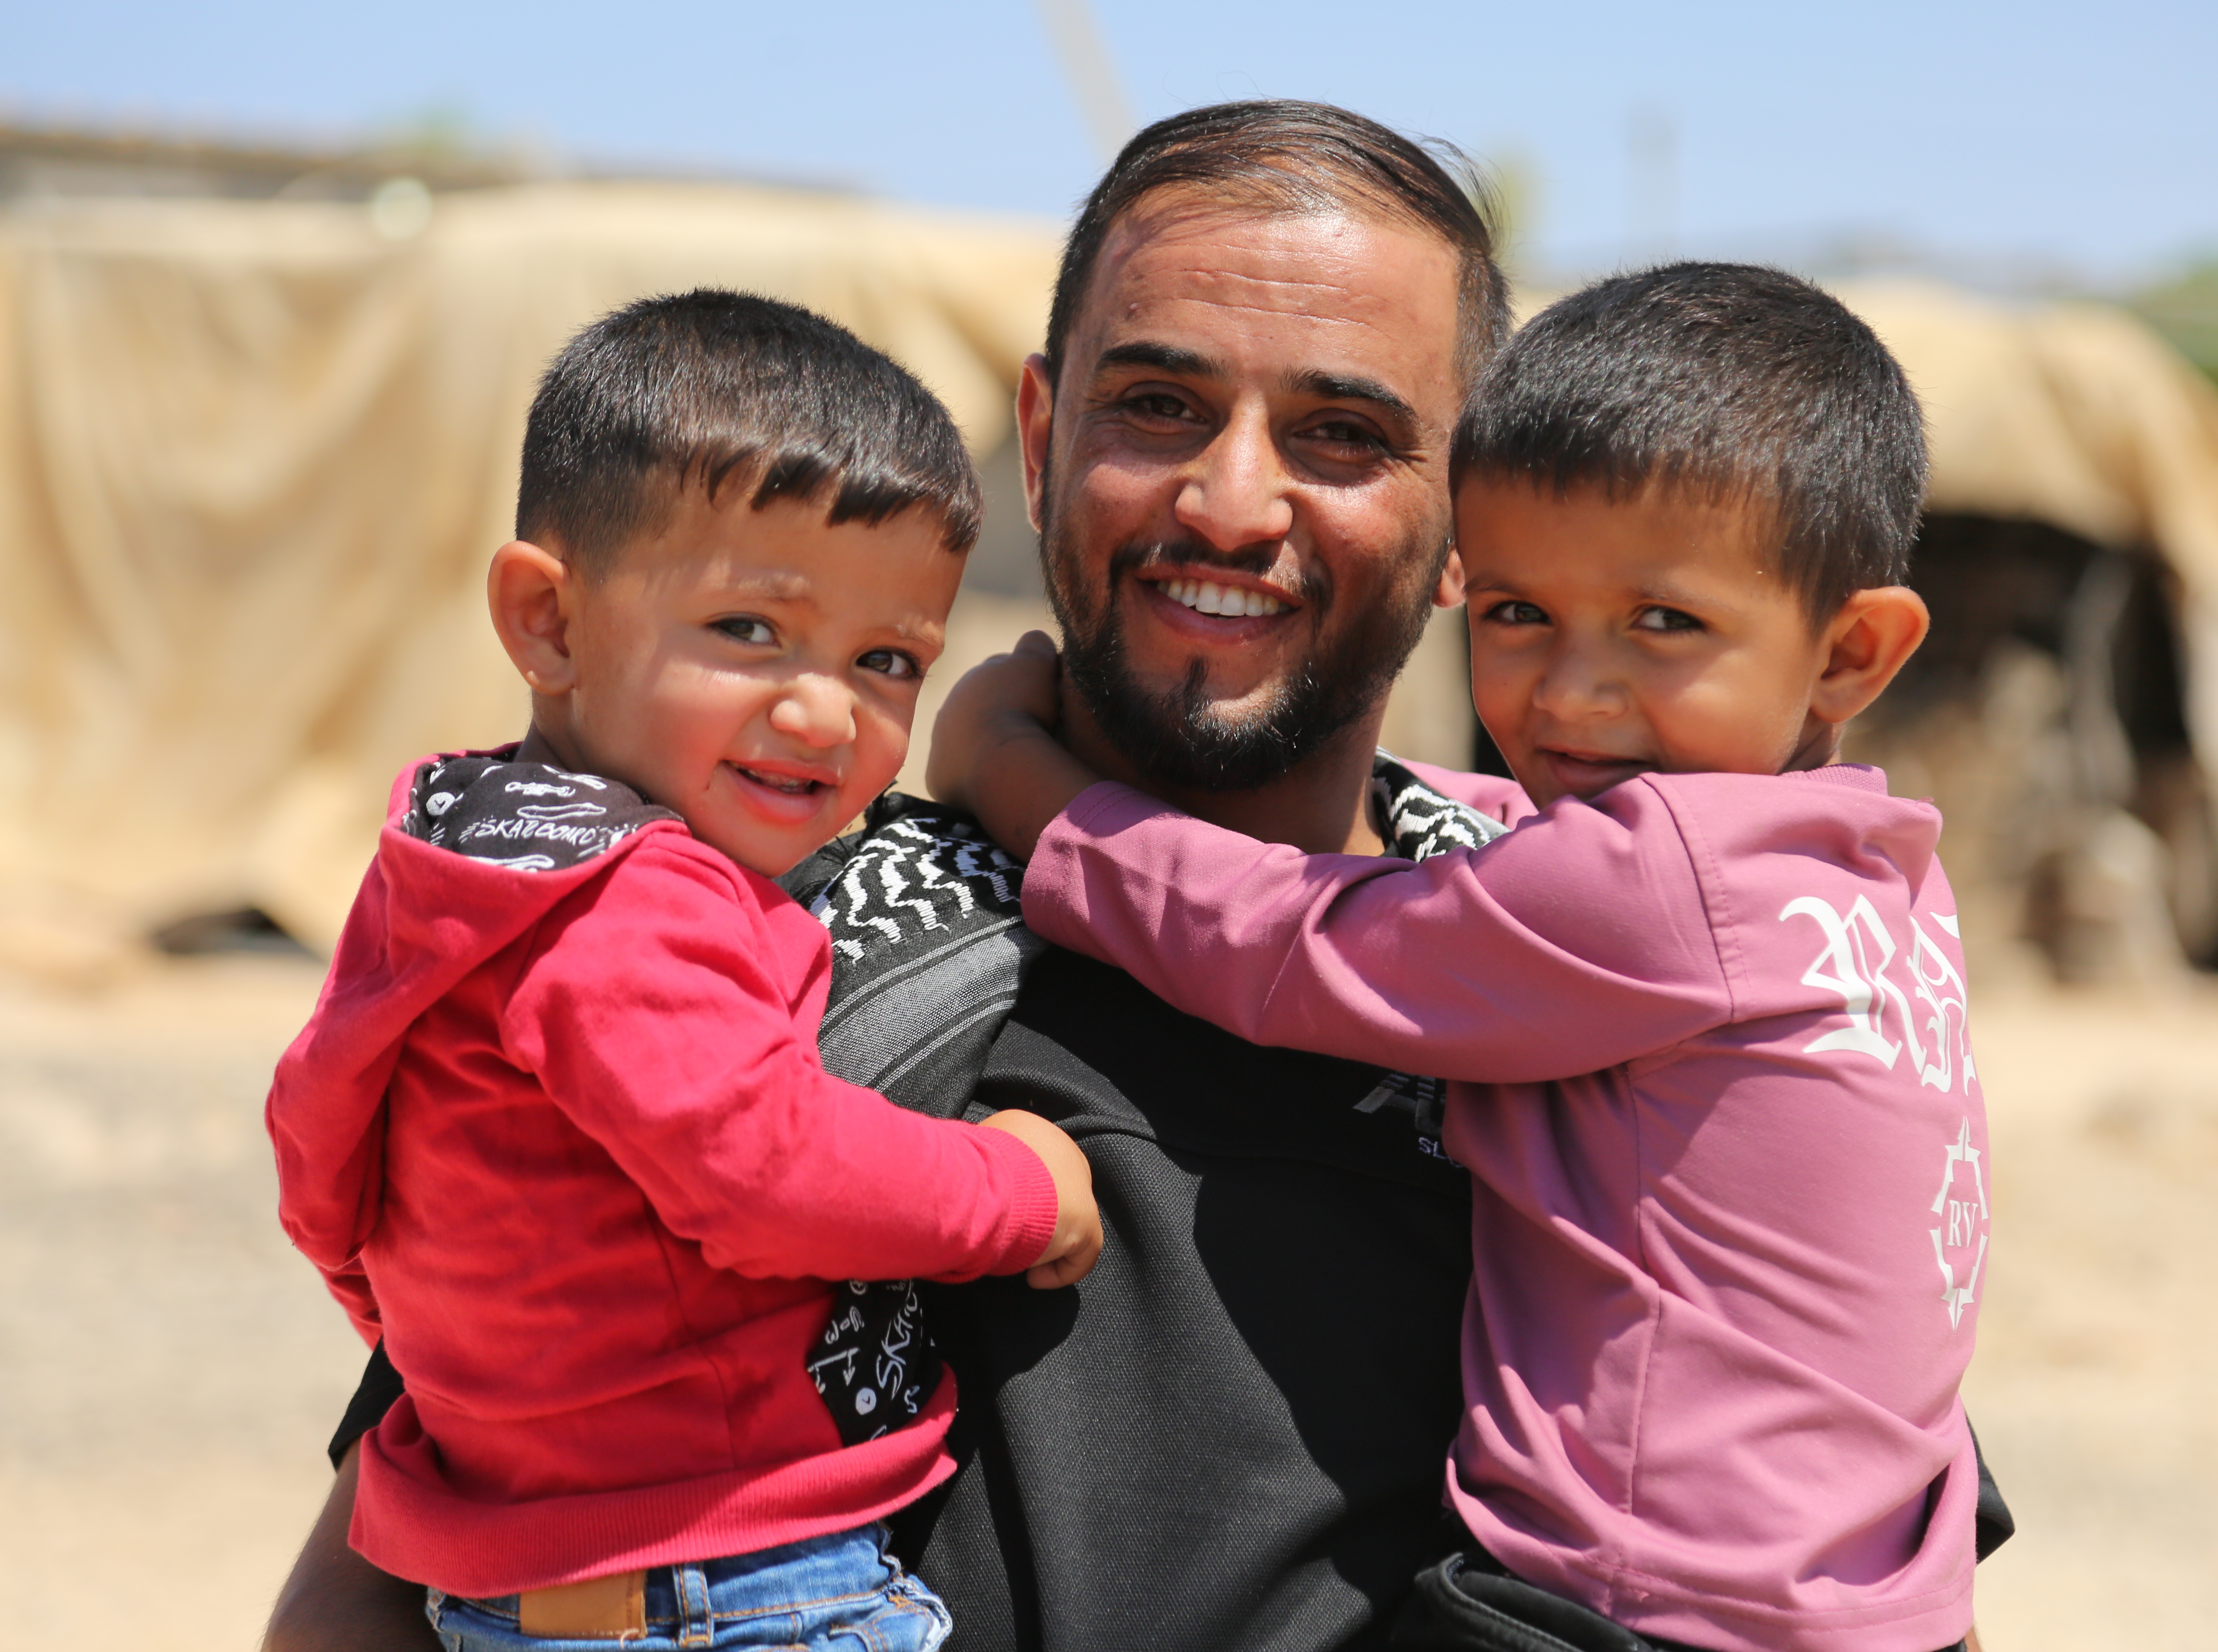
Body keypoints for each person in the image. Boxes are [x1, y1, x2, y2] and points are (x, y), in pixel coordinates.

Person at [264, 104, 2004, 1652]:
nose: (1231, 503)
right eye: (1160, 407)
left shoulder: (1624, 975)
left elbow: (1848, 1506)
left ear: (1464, 518)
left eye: (1342, 434)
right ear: (1038, 438)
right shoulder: (775, 948)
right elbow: (404, 1563)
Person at [931, 263, 1988, 1652]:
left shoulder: (1653, 890)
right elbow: (1542, 855)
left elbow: (1286, 944)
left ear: (1853, 651)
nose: (1571, 692)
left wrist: (1023, 782)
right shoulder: (1874, 870)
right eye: (1517, 614)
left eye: (1663, 624)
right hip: (1877, 1595)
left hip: (1634, 1609)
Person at [265, 290, 1102, 1652]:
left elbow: (321, 1140)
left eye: (888, 660)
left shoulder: (458, 852)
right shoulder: (635, 900)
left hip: (526, 1587)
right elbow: (769, 1170)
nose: (823, 710)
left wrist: (445, 1347)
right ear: (548, 621)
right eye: (751, 631)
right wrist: (1022, 1187)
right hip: (731, 1592)